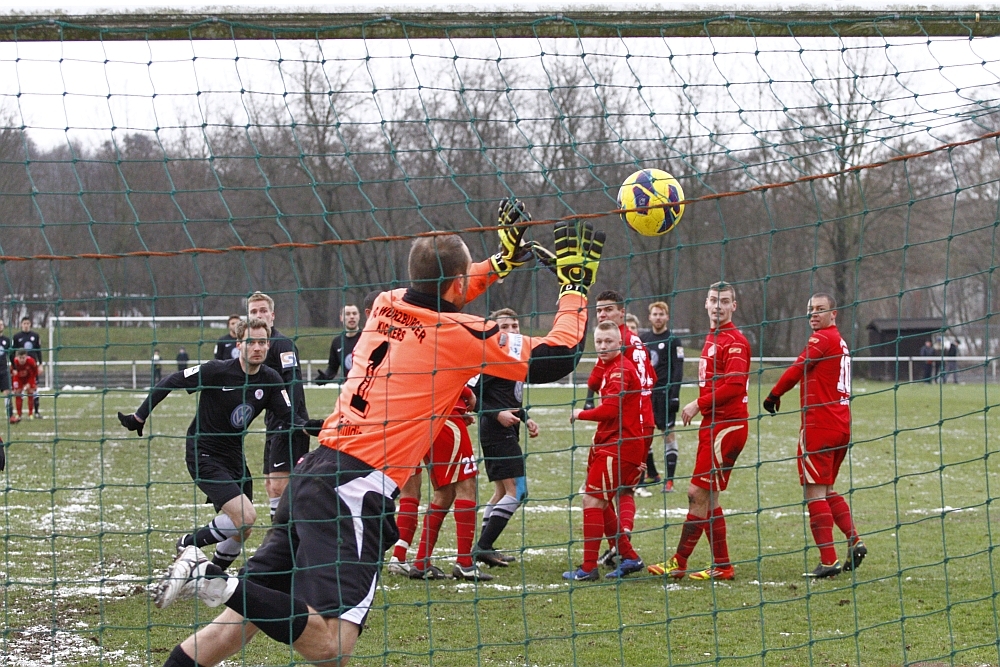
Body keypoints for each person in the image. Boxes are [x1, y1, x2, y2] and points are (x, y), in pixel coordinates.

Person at [148, 200, 602, 667]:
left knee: (234, 627)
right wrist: (574, 288)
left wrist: (501, 261)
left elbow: (443, 287)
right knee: (332, 645)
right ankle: (214, 578)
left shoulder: (387, 304)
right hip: (355, 486)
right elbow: (559, 355)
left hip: (317, 470)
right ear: (456, 281)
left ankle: (219, 590)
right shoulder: (460, 335)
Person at [118, 318, 319, 571]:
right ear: (238, 345)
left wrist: (316, 426)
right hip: (203, 454)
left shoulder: (271, 379)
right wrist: (139, 416)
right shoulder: (216, 370)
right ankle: (186, 543)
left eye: (262, 342)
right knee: (246, 517)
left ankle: (211, 577)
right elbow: (169, 381)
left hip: (234, 457)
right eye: (251, 342)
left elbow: (291, 419)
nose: (257, 347)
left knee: (242, 529)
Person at [647, 281, 750, 581]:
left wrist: (697, 404)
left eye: (725, 301)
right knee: (708, 497)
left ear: (734, 306)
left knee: (696, 493)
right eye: (714, 300)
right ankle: (722, 565)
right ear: (706, 303)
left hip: (726, 427)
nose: (718, 306)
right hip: (715, 425)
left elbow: (733, 385)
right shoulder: (712, 337)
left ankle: (680, 562)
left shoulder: (735, 341)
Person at [763, 293, 865, 578]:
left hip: (819, 425)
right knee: (827, 489)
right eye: (811, 309)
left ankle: (828, 560)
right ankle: (854, 539)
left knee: (813, 493)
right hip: (841, 425)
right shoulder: (841, 342)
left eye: (821, 309)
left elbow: (798, 368)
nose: (814, 314)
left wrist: (773, 395)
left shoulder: (822, 339)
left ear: (835, 314)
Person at [567, 321, 646, 581]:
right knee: (600, 503)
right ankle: (631, 557)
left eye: (609, 342)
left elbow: (610, 410)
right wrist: (602, 359)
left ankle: (589, 568)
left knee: (592, 500)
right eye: (599, 342)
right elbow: (592, 381)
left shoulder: (620, 371)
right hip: (610, 442)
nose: (602, 346)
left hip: (620, 445)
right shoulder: (610, 366)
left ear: (620, 342)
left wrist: (580, 413)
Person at [584, 290, 657, 566]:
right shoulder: (632, 340)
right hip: (637, 423)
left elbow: (600, 383)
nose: (602, 315)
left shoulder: (615, 342)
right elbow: (651, 376)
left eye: (608, 310)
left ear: (621, 312)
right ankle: (622, 546)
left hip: (627, 425)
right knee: (616, 489)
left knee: (604, 491)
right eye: (599, 310)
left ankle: (620, 545)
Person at [471, 308, 539, 568]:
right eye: (505, 327)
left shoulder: (516, 359)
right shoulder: (490, 360)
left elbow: (509, 400)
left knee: (501, 491)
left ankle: (486, 547)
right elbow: (469, 395)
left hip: (508, 430)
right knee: (517, 491)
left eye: (515, 325)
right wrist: (496, 414)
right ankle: (483, 546)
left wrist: (526, 417)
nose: (512, 331)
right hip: (495, 431)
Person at [404, 387, 491, 581]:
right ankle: (465, 563)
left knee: (445, 492)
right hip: (445, 416)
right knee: (466, 486)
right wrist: (467, 394)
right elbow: (446, 372)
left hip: (432, 416)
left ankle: (421, 562)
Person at [247, 292, 311, 520]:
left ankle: (285, 540)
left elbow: (293, 383)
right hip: (273, 424)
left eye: (263, 310)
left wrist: (291, 420)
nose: (259, 315)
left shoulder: (282, 344)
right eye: (254, 312)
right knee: (270, 486)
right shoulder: (255, 347)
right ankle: (281, 537)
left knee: (280, 486)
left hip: (289, 423)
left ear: (272, 315)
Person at [640, 301, 685, 493]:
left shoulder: (673, 340)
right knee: (644, 436)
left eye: (661, 314)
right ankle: (653, 474)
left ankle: (670, 481)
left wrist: (674, 395)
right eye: (655, 314)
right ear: (650, 317)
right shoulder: (644, 339)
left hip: (665, 394)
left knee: (668, 434)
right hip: (647, 395)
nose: (658, 317)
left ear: (667, 317)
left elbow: (678, 369)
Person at [315, 304, 362, 384]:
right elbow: (333, 368)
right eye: (347, 314)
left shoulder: (367, 337)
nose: (351, 316)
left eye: (354, 313)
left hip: (368, 388)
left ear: (359, 316)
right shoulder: (337, 342)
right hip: (349, 389)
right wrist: (325, 377)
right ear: (341, 318)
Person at [11, 318, 42, 417]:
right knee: (18, 392)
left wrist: (40, 364)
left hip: (32, 368)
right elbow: (12, 352)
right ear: (21, 324)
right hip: (19, 367)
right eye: (24, 323)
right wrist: (14, 366)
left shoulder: (35, 336)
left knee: (33, 390)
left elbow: (39, 350)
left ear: (30, 324)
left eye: (28, 323)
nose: (26, 325)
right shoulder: (16, 336)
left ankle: (35, 412)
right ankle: (19, 413)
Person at [10, 350, 39, 423]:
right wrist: (13, 386)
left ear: (26, 357)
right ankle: (19, 414)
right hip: (18, 378)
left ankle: (30, 413)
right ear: (17, 357)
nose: (22, 360)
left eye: (23, 358)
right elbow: (11, 373)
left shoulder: (31, 361)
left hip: (29, 377)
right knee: (17, 393)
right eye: (20, 358)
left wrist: (30, 383)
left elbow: (35, 372)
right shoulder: (14, 362)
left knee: (30, 392)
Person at [0, 321, 11, 421]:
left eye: (1, 324)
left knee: (7, 392)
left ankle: (9, 415)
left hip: (4, 370)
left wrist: (14, 368)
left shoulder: (7, 340)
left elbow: (10, 355)